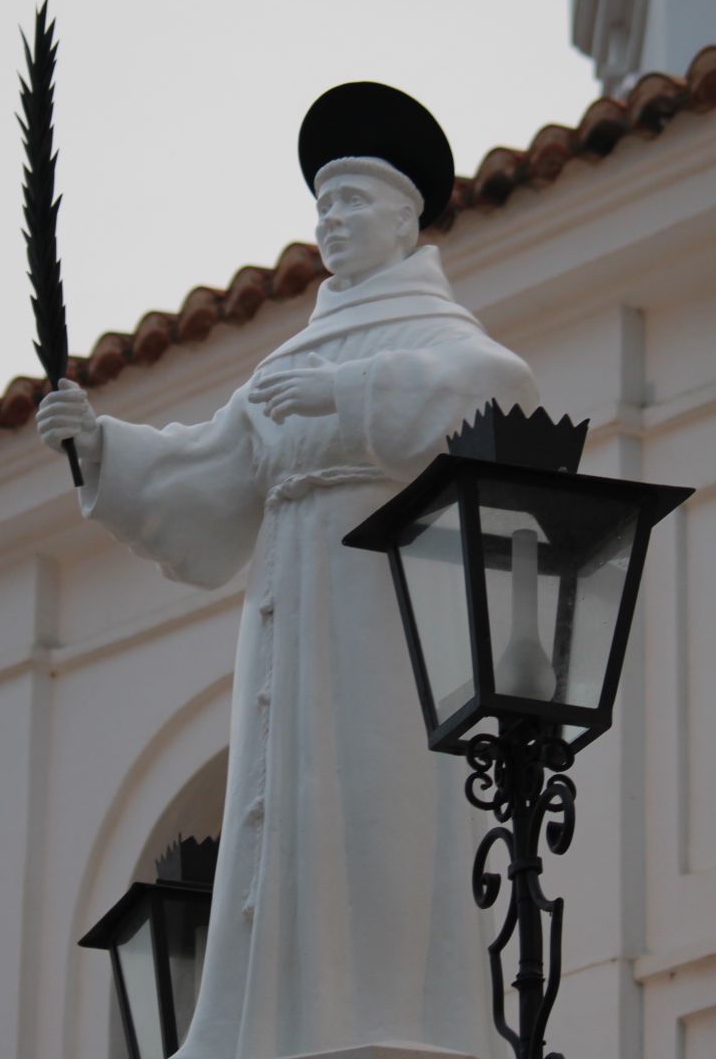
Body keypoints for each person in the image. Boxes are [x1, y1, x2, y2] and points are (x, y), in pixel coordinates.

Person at [39, 82, 530, 1058]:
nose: (335, 221)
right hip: (288, 617)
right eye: (325, 206)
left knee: (378, 809)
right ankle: (277, 1022)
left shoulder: (433, 333)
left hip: (386, 620)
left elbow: (496, 387)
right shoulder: (287, 359)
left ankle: (390, 1020)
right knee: (290, 809)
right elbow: (210, 468)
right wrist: (100, 444)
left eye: (356, 203)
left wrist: (348, 399)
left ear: (405, 220)